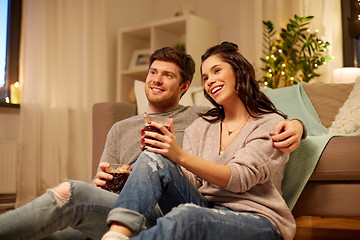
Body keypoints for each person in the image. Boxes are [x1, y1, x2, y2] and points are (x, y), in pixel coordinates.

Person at [0, 46, 302, 240]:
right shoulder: (200, 125)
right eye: (153, 72)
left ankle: (117, 234)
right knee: (69, 199)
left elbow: (264, 131)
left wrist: (298, 126)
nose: (209, 81)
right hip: (141, 205)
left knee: (178, 203)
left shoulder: (201, 116)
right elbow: (188, 181)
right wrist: (106, 181)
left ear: (184, 87)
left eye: (167, 75)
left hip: (204, 212)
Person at [102, 42, 296, 240]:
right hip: (207, 208)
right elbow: (195, 181)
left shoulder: (270, 123)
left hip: (257, 219)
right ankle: (117, 235)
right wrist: (152, 169)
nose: (210, 81)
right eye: (205, 78)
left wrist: (179, 155)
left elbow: (240, 178)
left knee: (187, 217)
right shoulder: (202, 125)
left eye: (216, 71)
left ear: (239, 71)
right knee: (153, 157)